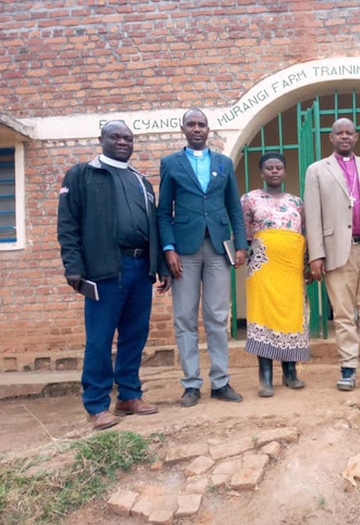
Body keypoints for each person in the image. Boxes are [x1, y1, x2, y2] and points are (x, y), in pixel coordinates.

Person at [57, 120, 170, 430]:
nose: (123, 142)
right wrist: (73, 266)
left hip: (139, 267)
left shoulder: (141, 181)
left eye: (128, 138)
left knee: (135, 335)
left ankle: (129, 396)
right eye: (116, 137)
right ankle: (96, 405)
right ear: (101, 139)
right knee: (100, 339)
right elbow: (67, 224)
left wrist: (158, 265)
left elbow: (154, 226)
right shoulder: (82, 175)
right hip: (104, 268)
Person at [157, 108, 247, 407]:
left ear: (209, 130)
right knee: (184, 316)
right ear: (183, 129)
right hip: (184, 250)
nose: (197, 129)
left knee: (217, 316)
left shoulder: (223, 162)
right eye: (191, 124)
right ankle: (191, 384)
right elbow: (163, 211)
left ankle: (220, 381)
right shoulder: (170, 163)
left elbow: (234, 206)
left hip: (218, 248)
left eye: (202, 124)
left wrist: (240, 244)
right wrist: (168, 248)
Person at [304, 117, 360, 392]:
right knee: (343, 315)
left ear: (356, 137)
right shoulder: (317, 170)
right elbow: (312, 214)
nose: (344, 136)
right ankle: (348, 368)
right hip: (335, 252)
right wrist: (315, 255)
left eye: (349, 132)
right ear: (331, 138)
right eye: (338, 133)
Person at [241, 152, 310, 397]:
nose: (274, 171)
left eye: (278, 167)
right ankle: (266, 377)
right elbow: (245, 233)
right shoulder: (249, 199)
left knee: (290, 315)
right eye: (269, 168)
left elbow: (305, 233)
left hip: (291, 268)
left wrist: (308, 263)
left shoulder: (297, 202)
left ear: (285, 171)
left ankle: (290, 372)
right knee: (265, 315)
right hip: (264, 267)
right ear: (261, 172)